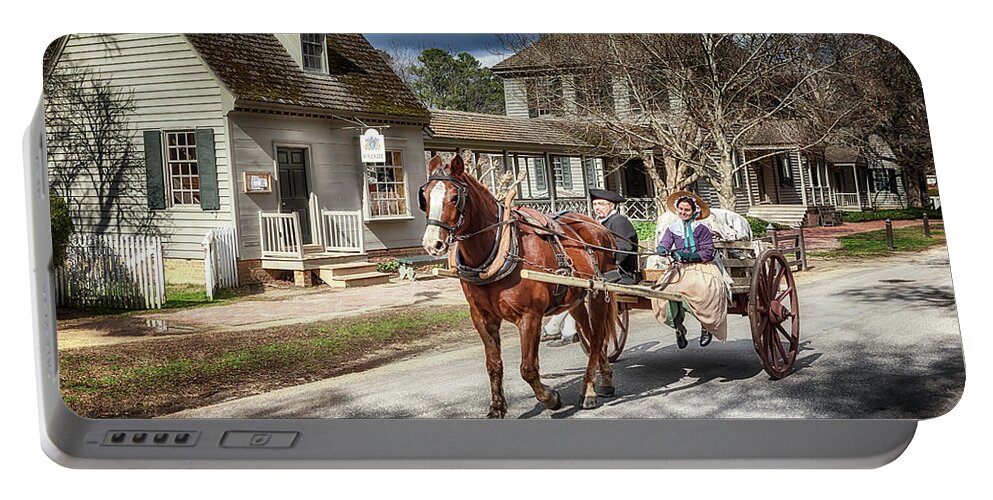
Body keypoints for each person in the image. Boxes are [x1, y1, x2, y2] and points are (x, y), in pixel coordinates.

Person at [544, 188, 639, 347]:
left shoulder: (619, 221)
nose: (598, 207)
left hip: (621, 273)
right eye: (595, 204)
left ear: (612, 206)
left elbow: (625, 247)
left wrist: (605, 264)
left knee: (580, 294)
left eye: (602, 204)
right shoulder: (595, 223)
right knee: (571, 287)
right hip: (601, 271)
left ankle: (566, 330)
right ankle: (554, 328)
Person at [655, 191, 717, 349]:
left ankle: (705, 325)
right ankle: (678, 328)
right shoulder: (673, 228)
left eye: (687, 210)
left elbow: (707, 252)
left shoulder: (702, 229)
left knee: (703, 290)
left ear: (694, 211)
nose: (683, 213)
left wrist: (688, 256)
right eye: (681, 209)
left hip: (701, 266)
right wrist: (662, 248)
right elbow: (666, 242)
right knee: (663, 292)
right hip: (679, 267)